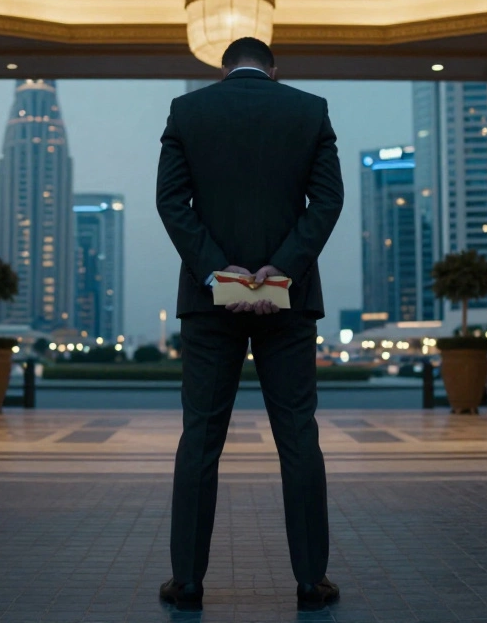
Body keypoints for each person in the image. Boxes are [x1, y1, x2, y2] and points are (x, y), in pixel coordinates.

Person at [155, 37, 344, 611]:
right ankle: (311, 581)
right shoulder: (309, 110)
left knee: (200, 438)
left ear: (223, 67)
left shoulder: (188, 111)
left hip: (210, 304)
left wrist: (220, 272)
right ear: (272, 69)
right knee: (298, 438)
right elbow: (328, 202)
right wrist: (279, 270)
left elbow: (170, 202)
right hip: (288, 303)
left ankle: (187, 581)